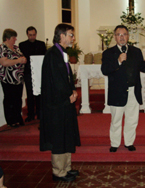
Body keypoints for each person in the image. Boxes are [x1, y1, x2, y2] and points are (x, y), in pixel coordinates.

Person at [101, 25, 145, 153]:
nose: (122, 37)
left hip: (133, 91)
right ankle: (114, 143)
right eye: (119, 35)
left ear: (128, 36)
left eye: (124, 34)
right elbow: (105, 70)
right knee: (116, 120)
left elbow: (143, 66)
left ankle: (129, 142)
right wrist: (118, 61)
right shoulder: (108, 53)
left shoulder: (136, 51)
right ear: (115, 37)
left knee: (132, 119)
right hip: (117, 92)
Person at [40, 23, 81, 182]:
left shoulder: (61, 52)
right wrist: (68, 94)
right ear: (62, 35)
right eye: (71, 34)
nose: (73, 38)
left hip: (64, 102)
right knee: (58, 136)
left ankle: (66, 168)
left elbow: (67, 77)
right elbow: (56, 81)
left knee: (66, 134)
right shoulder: (52, 54)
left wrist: (73, 90)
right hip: (56, 105)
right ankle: (58, 172)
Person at [0, 29, 27, 127]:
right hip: (8, 78)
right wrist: (18, 60)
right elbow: (4, 62)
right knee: (9, 99)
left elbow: (22, 57)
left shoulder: (16, 48)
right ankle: (11, 120)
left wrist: (23, 60)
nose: (15, 39)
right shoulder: (2, 48)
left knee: (18, 99)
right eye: (13, 38)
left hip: (18, 78)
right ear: (7, 38)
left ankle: (18, 117)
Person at [19, 26, 46, 122]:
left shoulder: (41, 44)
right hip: (28, 72)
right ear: (27, 35)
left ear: (36, 34)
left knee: (39, 93)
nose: (32, 37)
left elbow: (44, 58)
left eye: (33, 35)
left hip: (39, 72)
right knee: (30, 94)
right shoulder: (22, 45)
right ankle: (30, 114)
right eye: (30, 35)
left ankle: (39, 113)